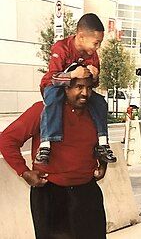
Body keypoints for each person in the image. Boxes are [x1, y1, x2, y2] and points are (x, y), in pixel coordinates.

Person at [0, 76, 108, 239]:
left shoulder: (95, 112)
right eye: (78, 87)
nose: (85, 93)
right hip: (52, 195)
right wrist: (24, 172)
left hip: (87, 194)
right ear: (65, 88)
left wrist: (103, 163)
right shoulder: (43, 110)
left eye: (89, 88)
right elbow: (7, 139)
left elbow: (100, 142)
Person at [37, 12, 117, 165]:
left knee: (100, 101)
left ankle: (102, 141)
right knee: (54, 98)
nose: (98, 47)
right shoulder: (61, 48)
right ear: (81, 37)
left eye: (100, 43)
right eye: (96, 43)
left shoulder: (93, 55)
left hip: (77, 89)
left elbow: (93, 85)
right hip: (55, 86)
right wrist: (73, 74)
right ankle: (46, 143)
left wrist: (94, 77)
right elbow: (53, 77)